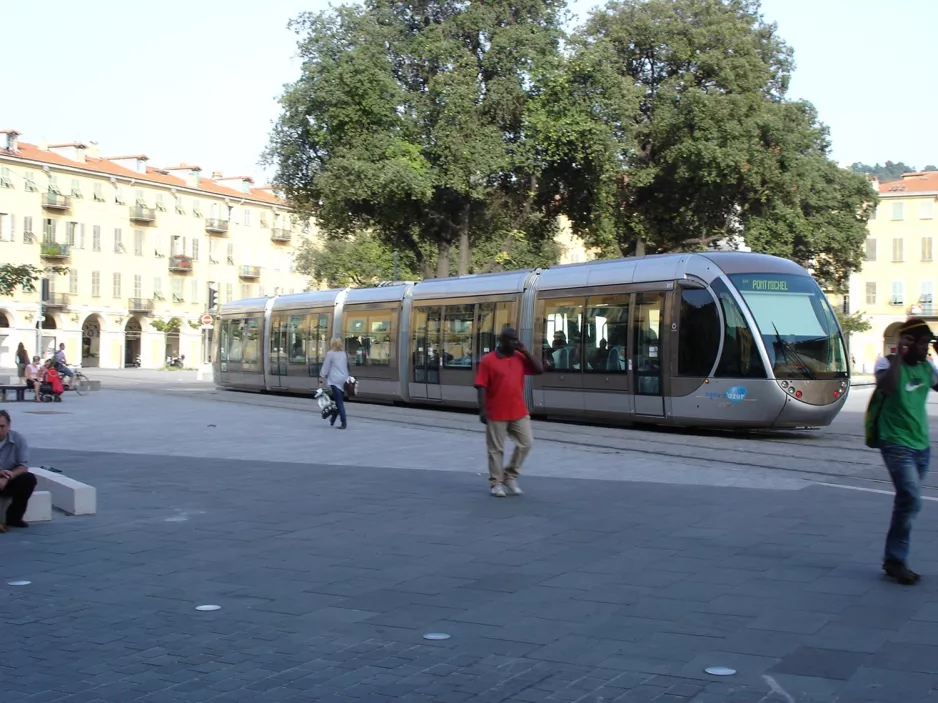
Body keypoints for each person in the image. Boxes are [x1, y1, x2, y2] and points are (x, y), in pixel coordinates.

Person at [873, 317, 938, 585]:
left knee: (905, 503)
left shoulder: (927, 367)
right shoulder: (886, 364)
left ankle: (892, 559)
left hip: (921, 446)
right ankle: (897, 560)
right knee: (910, 500)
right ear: (907, 342)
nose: (926, 348)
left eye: (928, 344)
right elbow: (886, 387)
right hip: (895, 442)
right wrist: (899, 356)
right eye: (923, 343)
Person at [474, 327, 544, 497]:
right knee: (495, 449)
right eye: (512, 340)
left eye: (516, 339)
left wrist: (525, 351)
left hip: (518, 410)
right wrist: (483, 410)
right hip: (496, 411)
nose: (515, 342)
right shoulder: (488, 360)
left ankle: (510, 475)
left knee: (526, 443)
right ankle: (496, 483)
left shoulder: (519, 357)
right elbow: (481, 386)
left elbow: (539, 369)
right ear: (502, 341)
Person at [0, 410, 38, 528]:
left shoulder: (18, 439)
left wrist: (8, 476)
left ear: (9, 425)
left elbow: (23, 466)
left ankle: (14, 518)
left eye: (2, 426)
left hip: (9, 478)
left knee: (29, 479)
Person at [318, 338, 350, 429]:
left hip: (335, 381)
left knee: (339, 402)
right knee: (337, 401)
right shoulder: (344, 354)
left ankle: (344, 423)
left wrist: (321, 380)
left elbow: (325, 367)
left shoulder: (330, 354)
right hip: (344, 380)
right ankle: (332, 420)